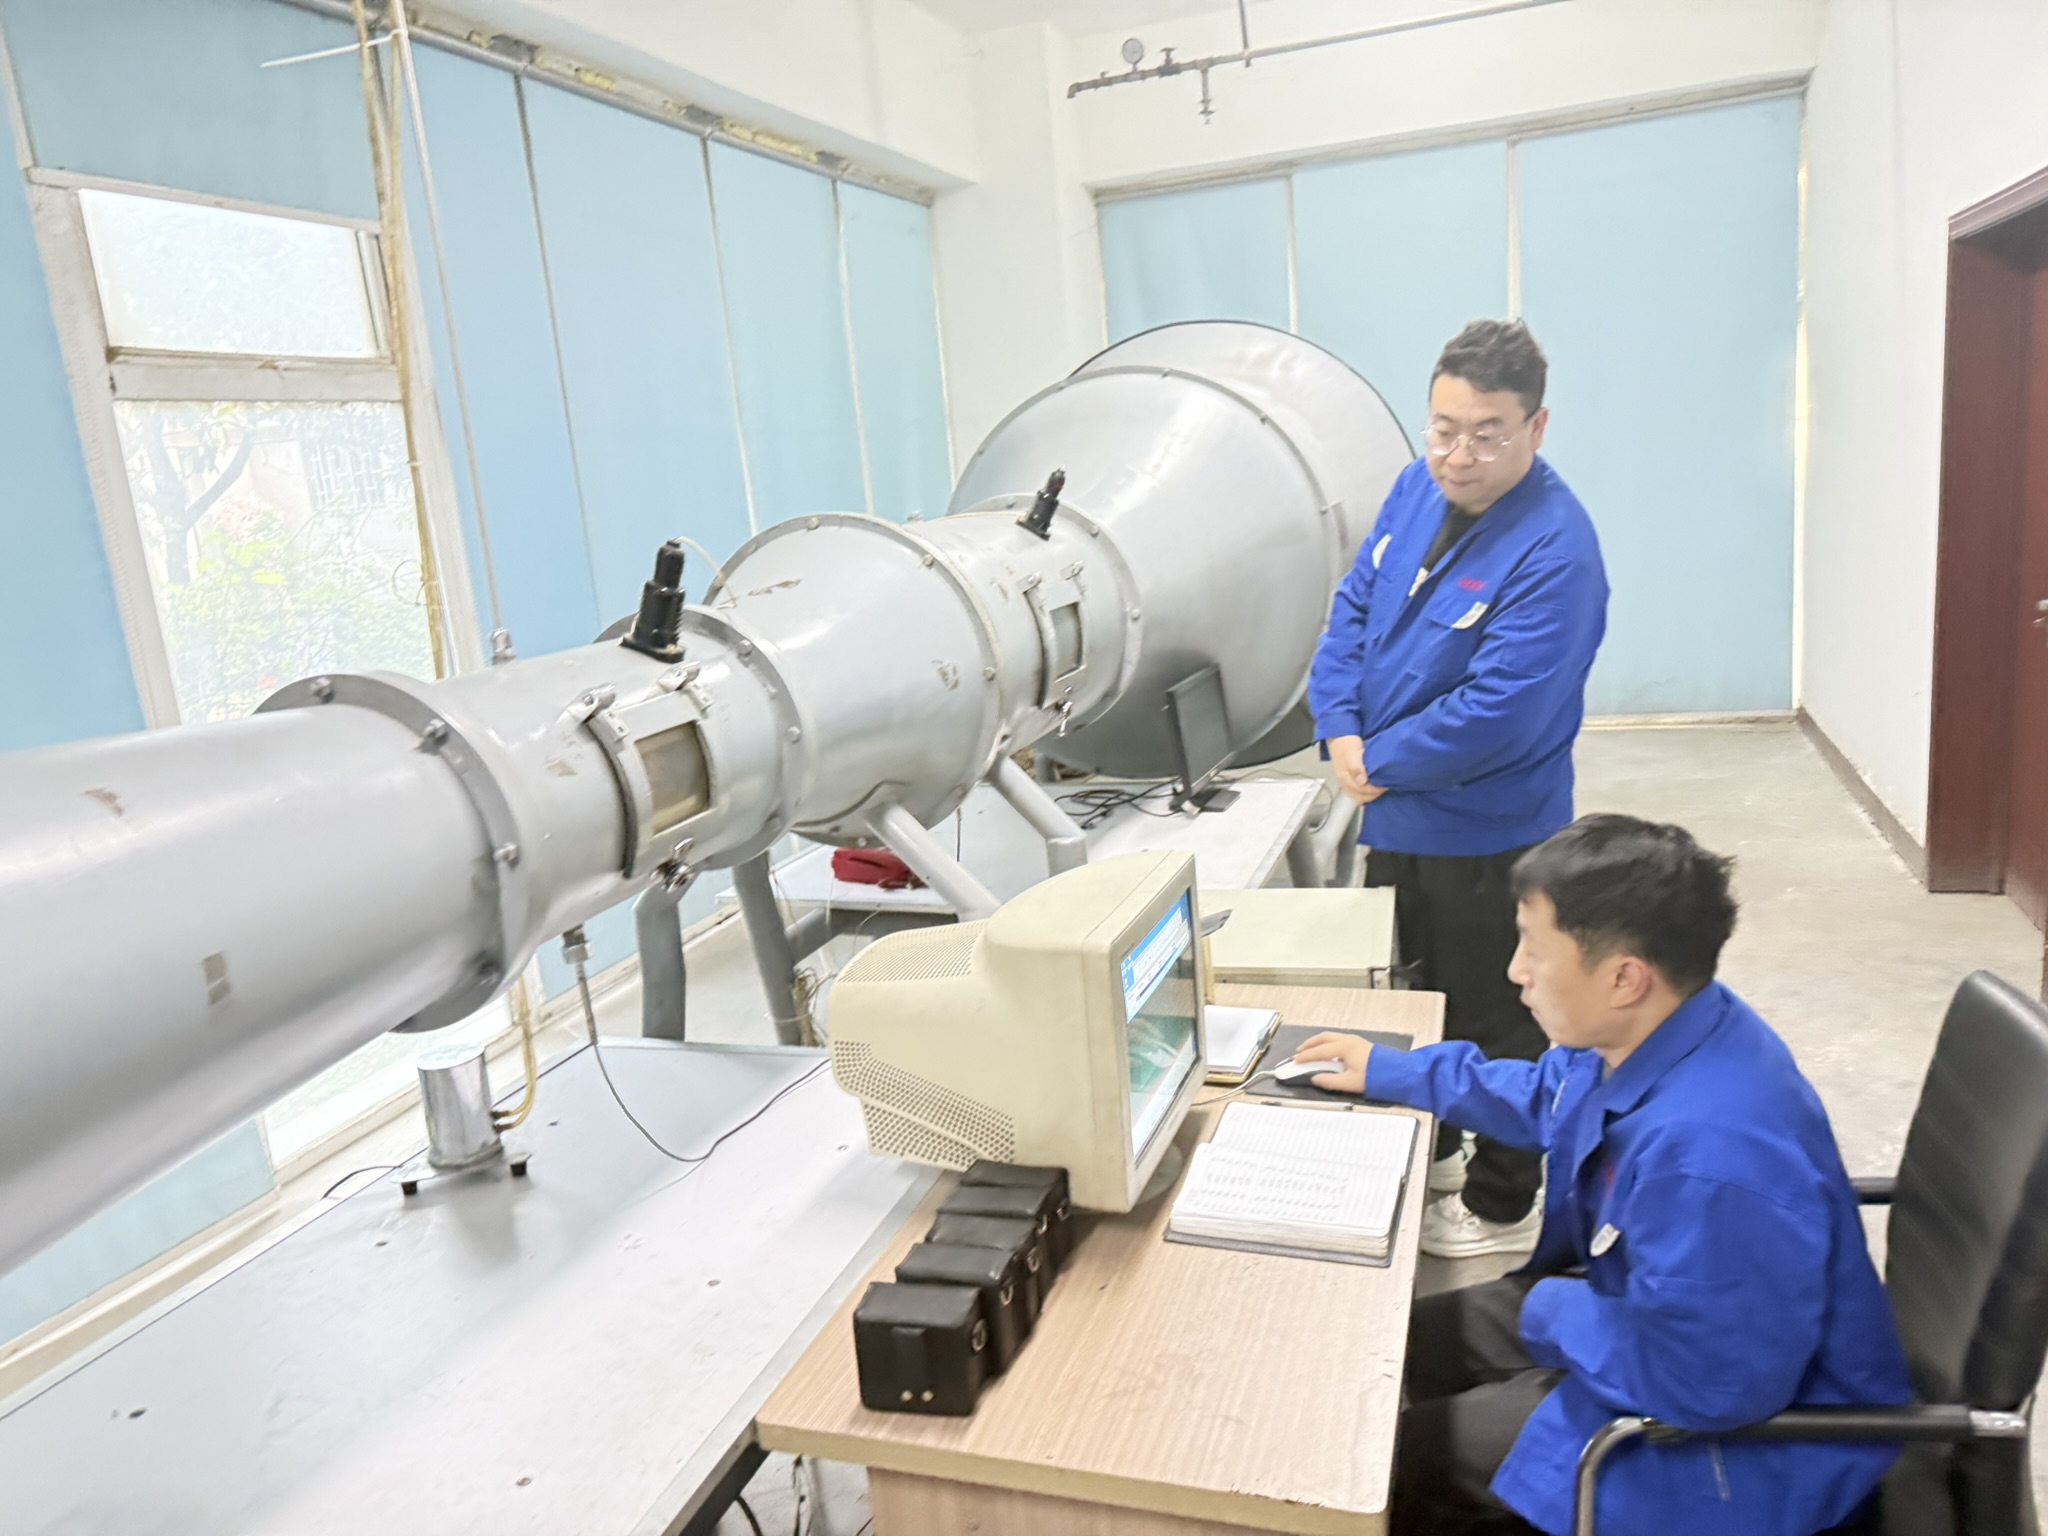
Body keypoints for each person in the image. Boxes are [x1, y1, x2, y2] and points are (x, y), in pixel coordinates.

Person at [1294, 816, 1911, 1536]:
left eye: (1534, 949)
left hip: (1752, 1442)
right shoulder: (1658, 1026)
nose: (1515, 970)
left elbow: (1709, 1387)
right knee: (1390, 1343)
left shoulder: (1710, 1159)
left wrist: (1549, 1313)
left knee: (1401, 1461)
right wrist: (1394, 1071)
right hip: (1645, 1312)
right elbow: (1549, 1095)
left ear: (1623, 977)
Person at [1308, 319, 1608, 1260]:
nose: (1458, 455)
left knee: (1500, 1017)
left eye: (1487, 433)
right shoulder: (1415, 487)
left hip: (1487, 834)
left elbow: (1501, 712)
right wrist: (1338, 723)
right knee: (1409, 996)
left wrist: (1377, 761)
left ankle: (1501, 1201)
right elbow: (1354, 607)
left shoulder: (1556, 550)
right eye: (1443, 428)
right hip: (1394, 817)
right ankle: (1432, 1144)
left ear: (1536, 427)